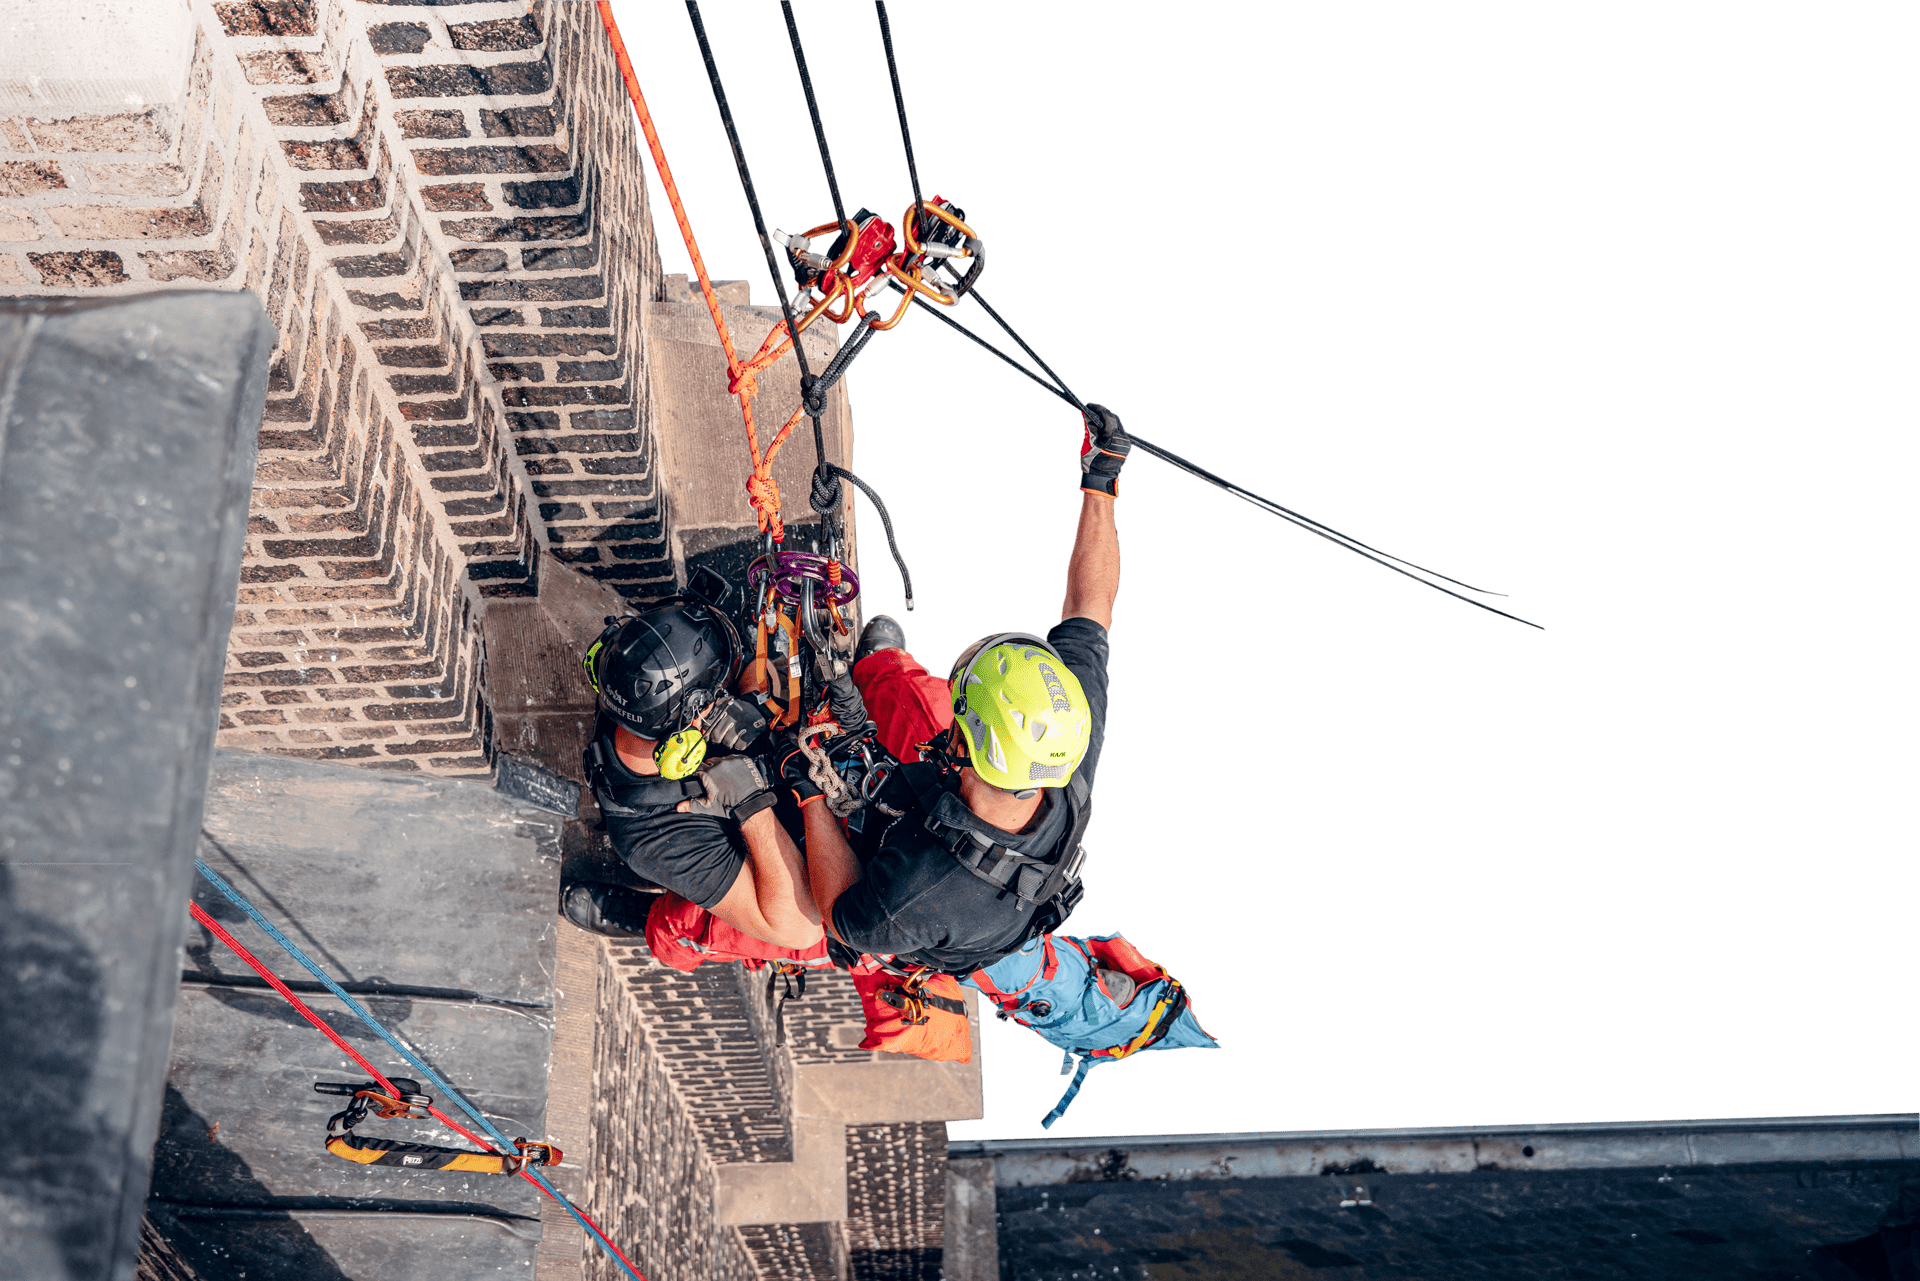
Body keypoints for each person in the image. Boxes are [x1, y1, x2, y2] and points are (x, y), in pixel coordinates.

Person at [788, 404, 1129, 975]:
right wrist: (1101, 483)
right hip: (959, 810)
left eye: (960, 722)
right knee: (902, 689)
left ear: (966, 748)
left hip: (884, 909)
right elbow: (1090, 612)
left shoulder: (918, 890)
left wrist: (809, 795)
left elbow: (842, 913)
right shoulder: (1064, 741)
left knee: (787, 910)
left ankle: (672, 925)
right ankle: (879, 667)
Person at [561, 597, 824, 952]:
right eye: (718, 696)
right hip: (756, 875)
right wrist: (751, 806)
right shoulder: (652, 838)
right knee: (696, 928)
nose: (723, 698)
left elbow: (753, 666)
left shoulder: (639, 680)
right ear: (694, 719)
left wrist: (751, 700)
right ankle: (649, 921)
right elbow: (801, 931)